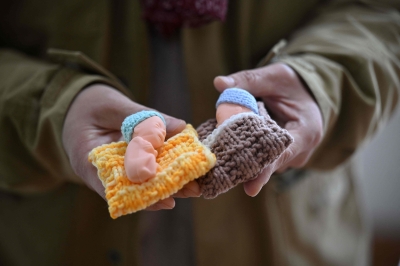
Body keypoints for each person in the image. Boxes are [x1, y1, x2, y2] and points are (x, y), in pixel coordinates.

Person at [0, 0, 399, 265]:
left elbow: (382, 14)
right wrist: (54, 108)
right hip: (55, 235)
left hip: (292, 236)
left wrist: (318, 81)